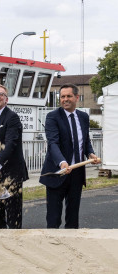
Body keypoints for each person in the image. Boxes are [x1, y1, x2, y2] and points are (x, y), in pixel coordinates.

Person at [40, 84, 99, 229]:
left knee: (73, 218)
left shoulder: (83, 117)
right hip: (58, 172)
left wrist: (90, 153)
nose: (65, 99)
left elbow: (85, 141)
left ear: (77, 98)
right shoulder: (52, 117)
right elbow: (53, 143)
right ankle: (54, 248)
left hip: (76, 174)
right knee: (53, 219)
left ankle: (72, 248)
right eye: (62, 96)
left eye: (69, 96)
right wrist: (62, 162)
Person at [0, 84, 28, 229]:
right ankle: (0, 246)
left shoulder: (12, 118)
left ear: (6, 100)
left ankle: (15, 245)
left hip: (11, 173)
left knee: (13, 215)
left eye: (0, 94)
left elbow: (10, 144)